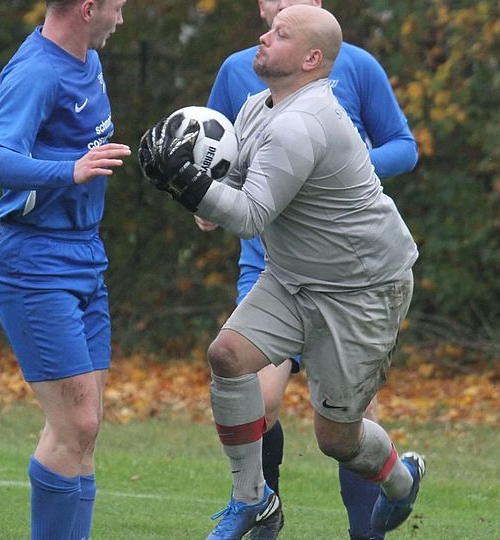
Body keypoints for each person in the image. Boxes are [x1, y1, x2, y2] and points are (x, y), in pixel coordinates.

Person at [138, 5, 425, 540]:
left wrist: (191, 186)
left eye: (279, 34)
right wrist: (192, 182)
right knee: (227, 356)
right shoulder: (256, 106)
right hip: (293, 276)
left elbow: (248, 216)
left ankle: (401, 480)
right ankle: (252, 499)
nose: (262, 37)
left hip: (361, 290)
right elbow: (231, 193)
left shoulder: (304, 122)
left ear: (312, 58)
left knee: (336, 439)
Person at [0, 1, 130, 539]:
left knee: (85, 430)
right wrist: (71, 170)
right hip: (33, 261)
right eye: (118, 7)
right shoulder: (36, 71)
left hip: (84, 252)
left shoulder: (87, 60)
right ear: (89, 8)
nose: (121, 20)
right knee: (75, 424)